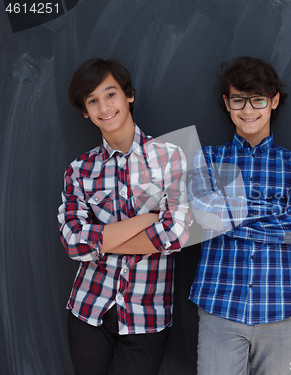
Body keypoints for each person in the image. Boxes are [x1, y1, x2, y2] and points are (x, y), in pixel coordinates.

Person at [58, 58, 190, 375]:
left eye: (111, 94)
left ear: (128, 95)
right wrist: (147, 220)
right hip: (88, 310)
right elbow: (74, 244)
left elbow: (176, 235)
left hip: (147, 316)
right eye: (93, 101)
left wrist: (101, 240)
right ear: (85, 111)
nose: (104, 107)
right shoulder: (79, 170)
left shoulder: (171, 156)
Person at [188, 56, 291, 375]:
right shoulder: (206, 158)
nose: (248, 110)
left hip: (281, 309)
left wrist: (230, 214)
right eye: (238, 100)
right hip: (220, 305)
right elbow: (205, 217)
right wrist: (276, 209)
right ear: (227, 103)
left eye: (258, 99)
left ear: (273, 101)